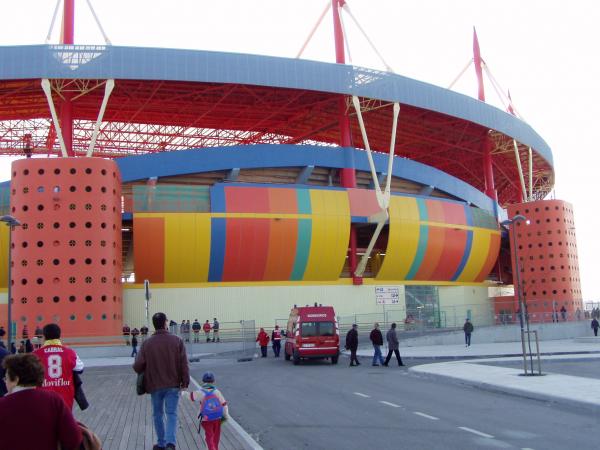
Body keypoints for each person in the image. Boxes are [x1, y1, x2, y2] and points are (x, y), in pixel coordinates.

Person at [0, 354, 83, 450]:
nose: (5, 382)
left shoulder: (2, 405)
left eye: (6, 378)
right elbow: (74, 439)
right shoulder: (53, 400)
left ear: (16, 379)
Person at [133, 312, 189, 450]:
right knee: (171, 414)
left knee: (157, 414)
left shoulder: (147, 343)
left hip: (155, 385)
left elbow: (138, 366)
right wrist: (185, 381)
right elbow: (184, 364)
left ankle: (161, 443)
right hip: (173, 384)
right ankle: (171, 443)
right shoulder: (177, 340)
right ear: (165, 323)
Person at [33, 323, 84, 409]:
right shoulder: (70, 353)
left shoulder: (35, 355)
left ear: (44, 337)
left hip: (43, 399)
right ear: (59, 336)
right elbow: (80, 369)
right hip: (65, 399)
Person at [180, 371, 229, 450]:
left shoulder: (200, 392)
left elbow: (190, 396)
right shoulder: (217, 392)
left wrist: (183, 392)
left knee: (209, 436)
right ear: (213, 381)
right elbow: (224, 405)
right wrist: (225, 417)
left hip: (205, 419)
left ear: (203, 381)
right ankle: (215, 448)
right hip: (217, 418)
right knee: (216, 436)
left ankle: (210, 448)